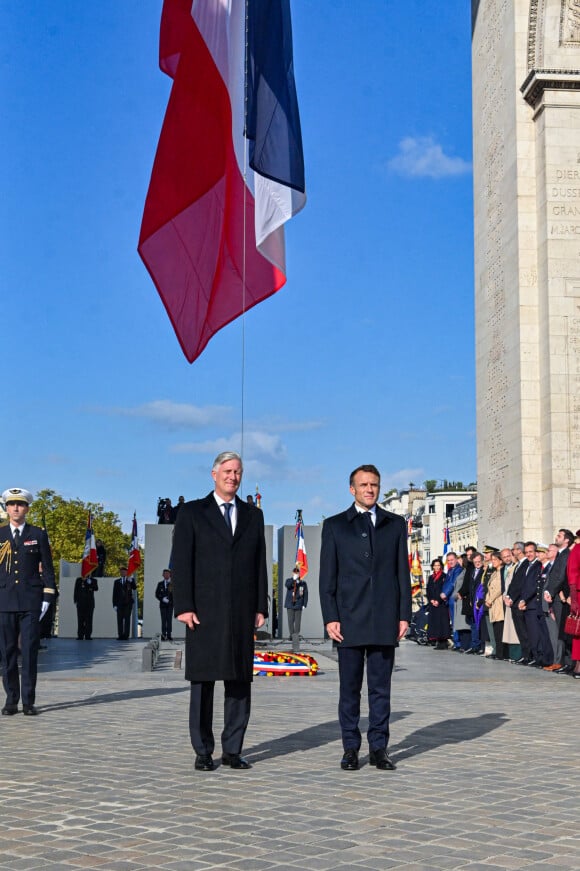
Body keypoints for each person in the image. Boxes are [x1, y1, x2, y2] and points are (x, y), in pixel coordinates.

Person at [171, 451, 268, 772]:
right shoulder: (192, 513)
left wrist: (260, 606)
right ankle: (203, 751)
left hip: (241, 613)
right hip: (203, 613)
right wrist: (183, 606)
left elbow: (259, 565)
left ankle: (232, 750)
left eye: (238, 471)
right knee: (203, 683)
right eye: (227, 471)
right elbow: (181, 562)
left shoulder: (253, 516)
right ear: (214, 474)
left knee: (239, 683)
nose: (233, 476)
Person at [319, 464, 412, 772]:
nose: (369, 489)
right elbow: (327, 577)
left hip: (385, 618)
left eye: (374, 484)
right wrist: (330, 616)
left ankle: (379, 748)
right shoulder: (334, 525)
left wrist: (403, 615)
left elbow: (402, 572)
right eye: (363, 485)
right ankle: (350, 748)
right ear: (352, 489)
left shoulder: (395, 524)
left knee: (380, 689)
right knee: (349, 690)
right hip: (348, 619)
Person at [0, 487, 56, 715]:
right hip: (4, 601)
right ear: (6, 509)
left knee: (30, 651)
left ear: (27, 508)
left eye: (20, 504)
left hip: (31, 600)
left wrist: (47, 596)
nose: (15, 508)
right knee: (7, 652)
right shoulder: (0, 535)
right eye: (11, 504)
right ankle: (11, 699)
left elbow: (49, 569)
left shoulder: (38, 534)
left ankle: (28, 701)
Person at [484, 552, 506, 660]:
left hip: (498, 603)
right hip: (492, 603)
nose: (493, 561)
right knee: (495, 629)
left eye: (495, 560)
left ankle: (501, 653)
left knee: (499, 629)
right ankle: (497, 651)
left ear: (501, 561)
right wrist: (487, 599)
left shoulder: (502, 572)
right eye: (492, 560)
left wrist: (490, 599)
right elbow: (489, 587)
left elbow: (499, 588)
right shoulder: (494, 572)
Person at [426, 558, 451, 649]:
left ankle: (443, 642)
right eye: (435, 565)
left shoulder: (444, 576)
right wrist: (431, 600)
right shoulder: (431, 577)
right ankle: (437, 641)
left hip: (441, 604)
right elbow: (428, 590)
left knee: (442, 623)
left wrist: (438, 600)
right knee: (435, 623)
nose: (436, 567)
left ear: (441, 566)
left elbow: (444, 589)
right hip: (433, 604)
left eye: (438, 565)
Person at [566, 530, 580, 679]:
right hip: (579, 593)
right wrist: (574, 598)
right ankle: (578, 665)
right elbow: (573, 574)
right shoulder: (577, 550)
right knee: (578, 630)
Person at [284, 566, 309, 640]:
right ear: (292, 573)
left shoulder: (303, 583)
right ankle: (292, 635)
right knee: (290, 620)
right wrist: (293, 580)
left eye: (297, 572)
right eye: (295, 572)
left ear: (299, 573)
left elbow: (305, 594)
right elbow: (287, 585)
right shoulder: (289, 580)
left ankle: (296, 635)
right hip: (290, 604)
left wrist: (304, 604)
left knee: (298, 621)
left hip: (298, 604)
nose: (296, 573)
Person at [112, 567, 136, 640]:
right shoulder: (117, 581)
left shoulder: (130, 580)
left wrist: (131, 581)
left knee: (127, 620)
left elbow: (134, 588)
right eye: (121, 572)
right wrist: (114, 605)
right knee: (119, 620)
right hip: (119, 604)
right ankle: (120, 635)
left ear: (127, 572)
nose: (122, 573)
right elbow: (114, 594)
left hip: (128, 603)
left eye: (124, 572)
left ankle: (126, 635)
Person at [73, 575, 98, 640]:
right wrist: (75, 600)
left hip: (89, 603)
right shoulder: (79, 579)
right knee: (80, 620)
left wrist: (89, 583)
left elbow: (96, 588)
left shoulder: (93, 580)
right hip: (80, 603)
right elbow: (76, 590)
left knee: (89, 620)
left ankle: (88, 635)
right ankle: (80, 635)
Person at [155, 569, 174, 640]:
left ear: (170, 575)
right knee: (163, 620)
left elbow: (175, 594)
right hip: (162, 605)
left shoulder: (173, 583)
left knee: (169, 620)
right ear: (162, 575)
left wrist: (171, 601)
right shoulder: (160, 584)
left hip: (170, 605)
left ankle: (169, 635)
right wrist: (162, 599)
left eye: (167, 573)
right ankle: (163, 635)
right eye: (165, 574)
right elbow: (157, 594)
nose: (166, 575)